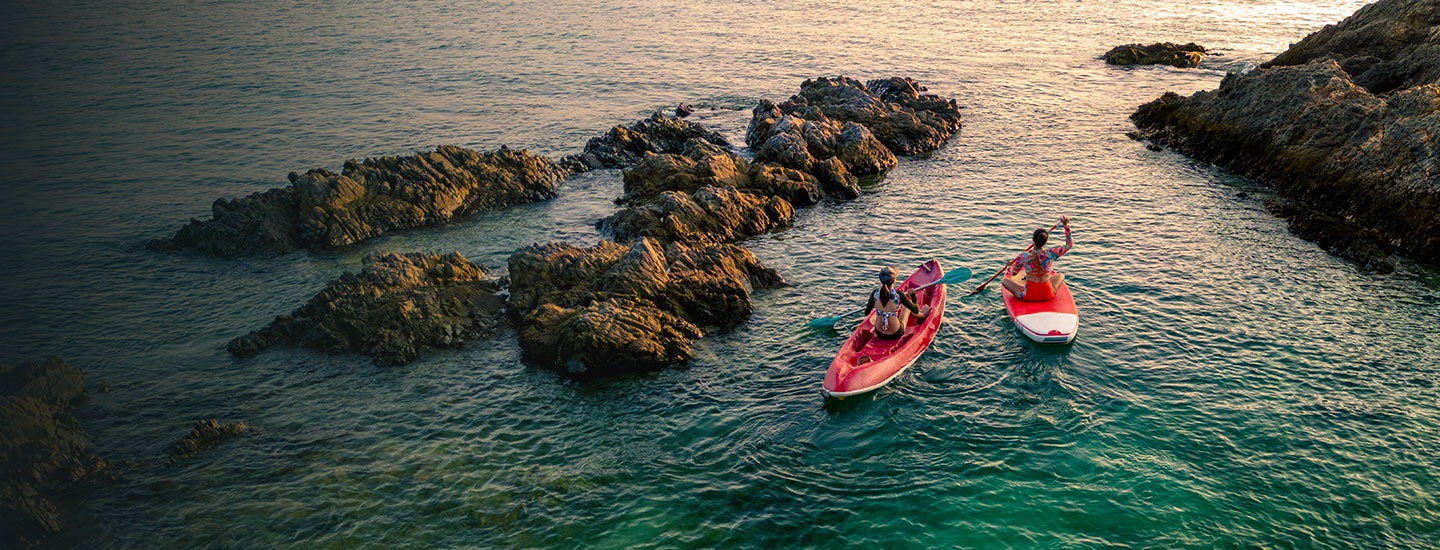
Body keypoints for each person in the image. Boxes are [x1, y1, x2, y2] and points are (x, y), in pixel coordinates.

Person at [1001, 216, 1073, 301]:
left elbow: (1014, 273)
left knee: (1005, 281)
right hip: (1048, 294)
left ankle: (1025, 288)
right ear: (1046, 241)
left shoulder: (1023, 256)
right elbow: (1069, 245)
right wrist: (1066, 225)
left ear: (1033, 240)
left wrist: (1010, 265)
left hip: (1028, 295)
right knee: (1061, 275)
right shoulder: (1051, 253)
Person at [865, 266, 931, 339]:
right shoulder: (898, 295)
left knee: (884, 311)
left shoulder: (875, 294)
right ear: (895, 280)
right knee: (907, 307)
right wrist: (913, 295)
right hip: (895, 333)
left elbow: (867, 312)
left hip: (879, 333)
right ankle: (922, 315)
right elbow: (915, 309)